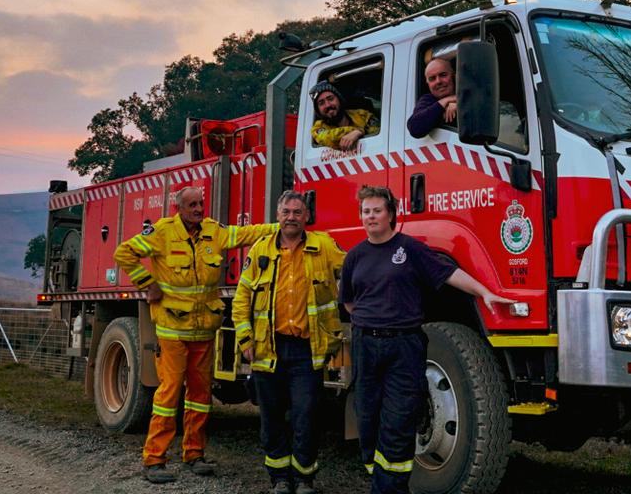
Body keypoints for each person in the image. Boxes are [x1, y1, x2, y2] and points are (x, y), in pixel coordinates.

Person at [339, 186, 515, 494]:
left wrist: (484, 291)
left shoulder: (410, 249)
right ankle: (382, 476)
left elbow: (448, 273)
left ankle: (387, 488)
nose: (371, 217)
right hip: (367, 344)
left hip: (403, 346)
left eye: (377, 211)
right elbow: (349, 302)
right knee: (367, 417)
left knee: (399, 418)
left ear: (390, 214)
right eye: (366, 212)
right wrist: (372, 321)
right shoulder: (355, 255)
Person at [114, 186, 278, 484]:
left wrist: (283, 225)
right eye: (192, 205)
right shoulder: (163, 232)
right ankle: (154, 459)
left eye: (201, 203)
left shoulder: (213, 232)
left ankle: (194, 454)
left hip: (204, 331)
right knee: (169, 394)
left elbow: (246, 234)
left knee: (201, 396)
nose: (199, 209)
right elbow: (123, 253)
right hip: (173, 331)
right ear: (179, 208)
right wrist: (147, 283)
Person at [233, 191, 347, 494]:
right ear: (278, 215)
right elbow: (242, 298)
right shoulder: (260, 250)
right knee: (271, 415)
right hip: (267, 347)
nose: (291, 217)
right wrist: (245, 338)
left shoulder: (323, 246)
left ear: (307, 216)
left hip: (307, 348)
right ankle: (280, 478)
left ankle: (304, 478)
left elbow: (352, 272)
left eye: (297, 212)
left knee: (306, 413)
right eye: (286, 212)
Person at [310, 81, 379, 151]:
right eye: (321, 103)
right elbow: (327, 137)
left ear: (339, 99)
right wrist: (357, 131)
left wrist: (359, 133)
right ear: (318, 110)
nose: (328, 105)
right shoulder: (317, 128)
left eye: (330, 99)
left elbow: (380, 133)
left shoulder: (362, 115)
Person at [407, 57, 456, 138]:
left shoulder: (471, 92)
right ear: (427, 83)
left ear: (453, 75)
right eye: (432, 78)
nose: (438, 81)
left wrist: (461, 104)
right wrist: (445, 101)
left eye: (443, 75)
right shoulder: (428, 100)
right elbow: (415, 128)